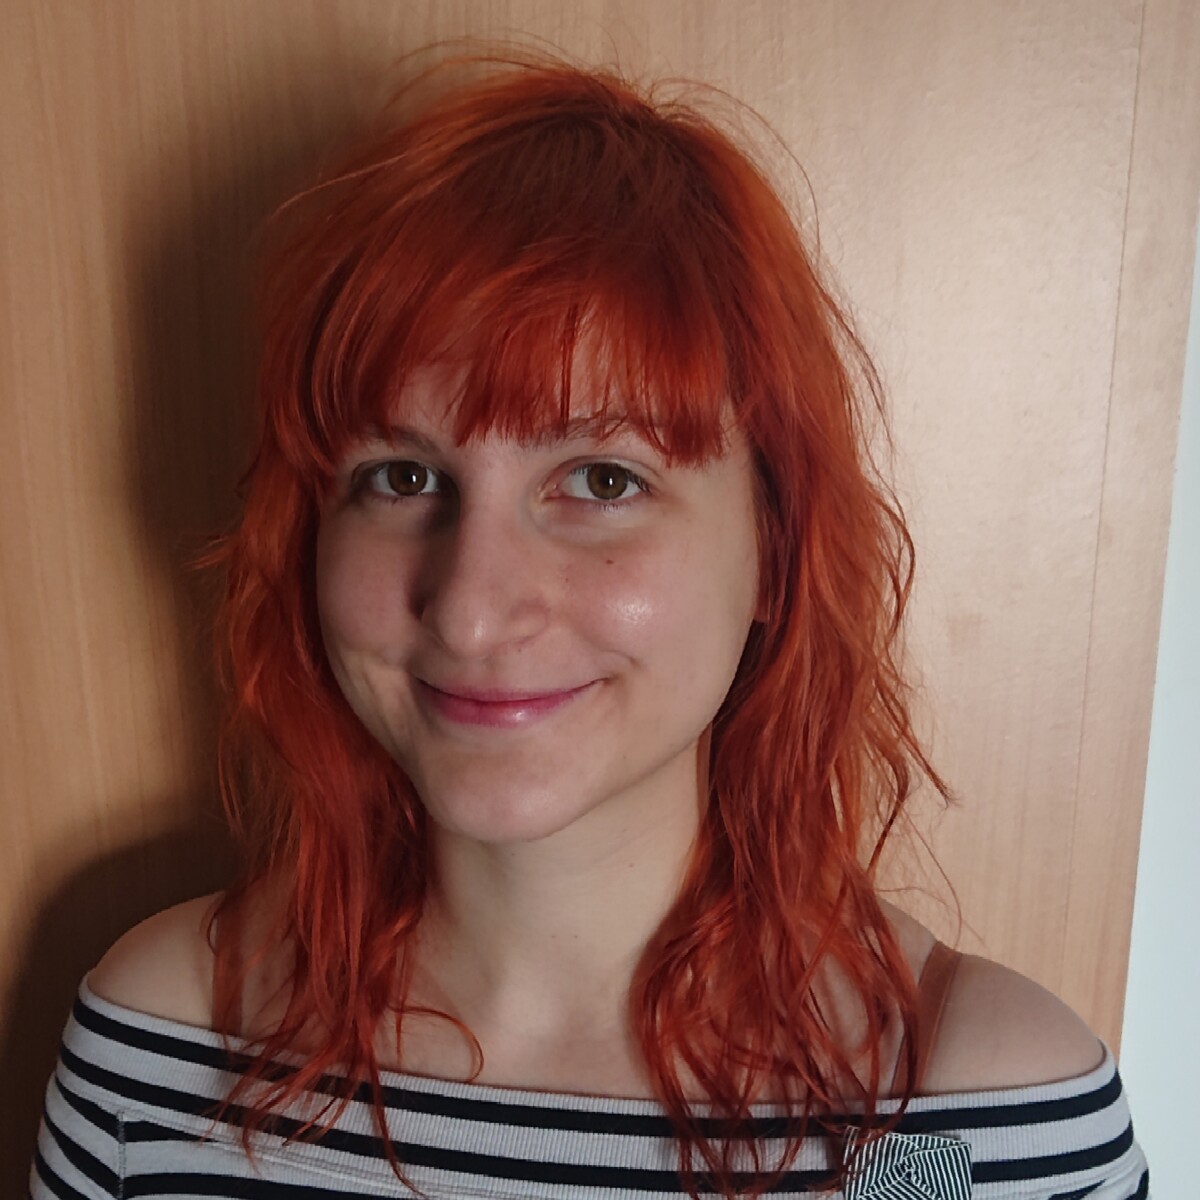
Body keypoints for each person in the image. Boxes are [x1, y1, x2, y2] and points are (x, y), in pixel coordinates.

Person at [31, 49, 1147, 1200]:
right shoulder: (156, 1053)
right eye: (402, 478)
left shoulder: (980, 1123)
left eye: (603, 480)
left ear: (775, 547)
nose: (470, 608)